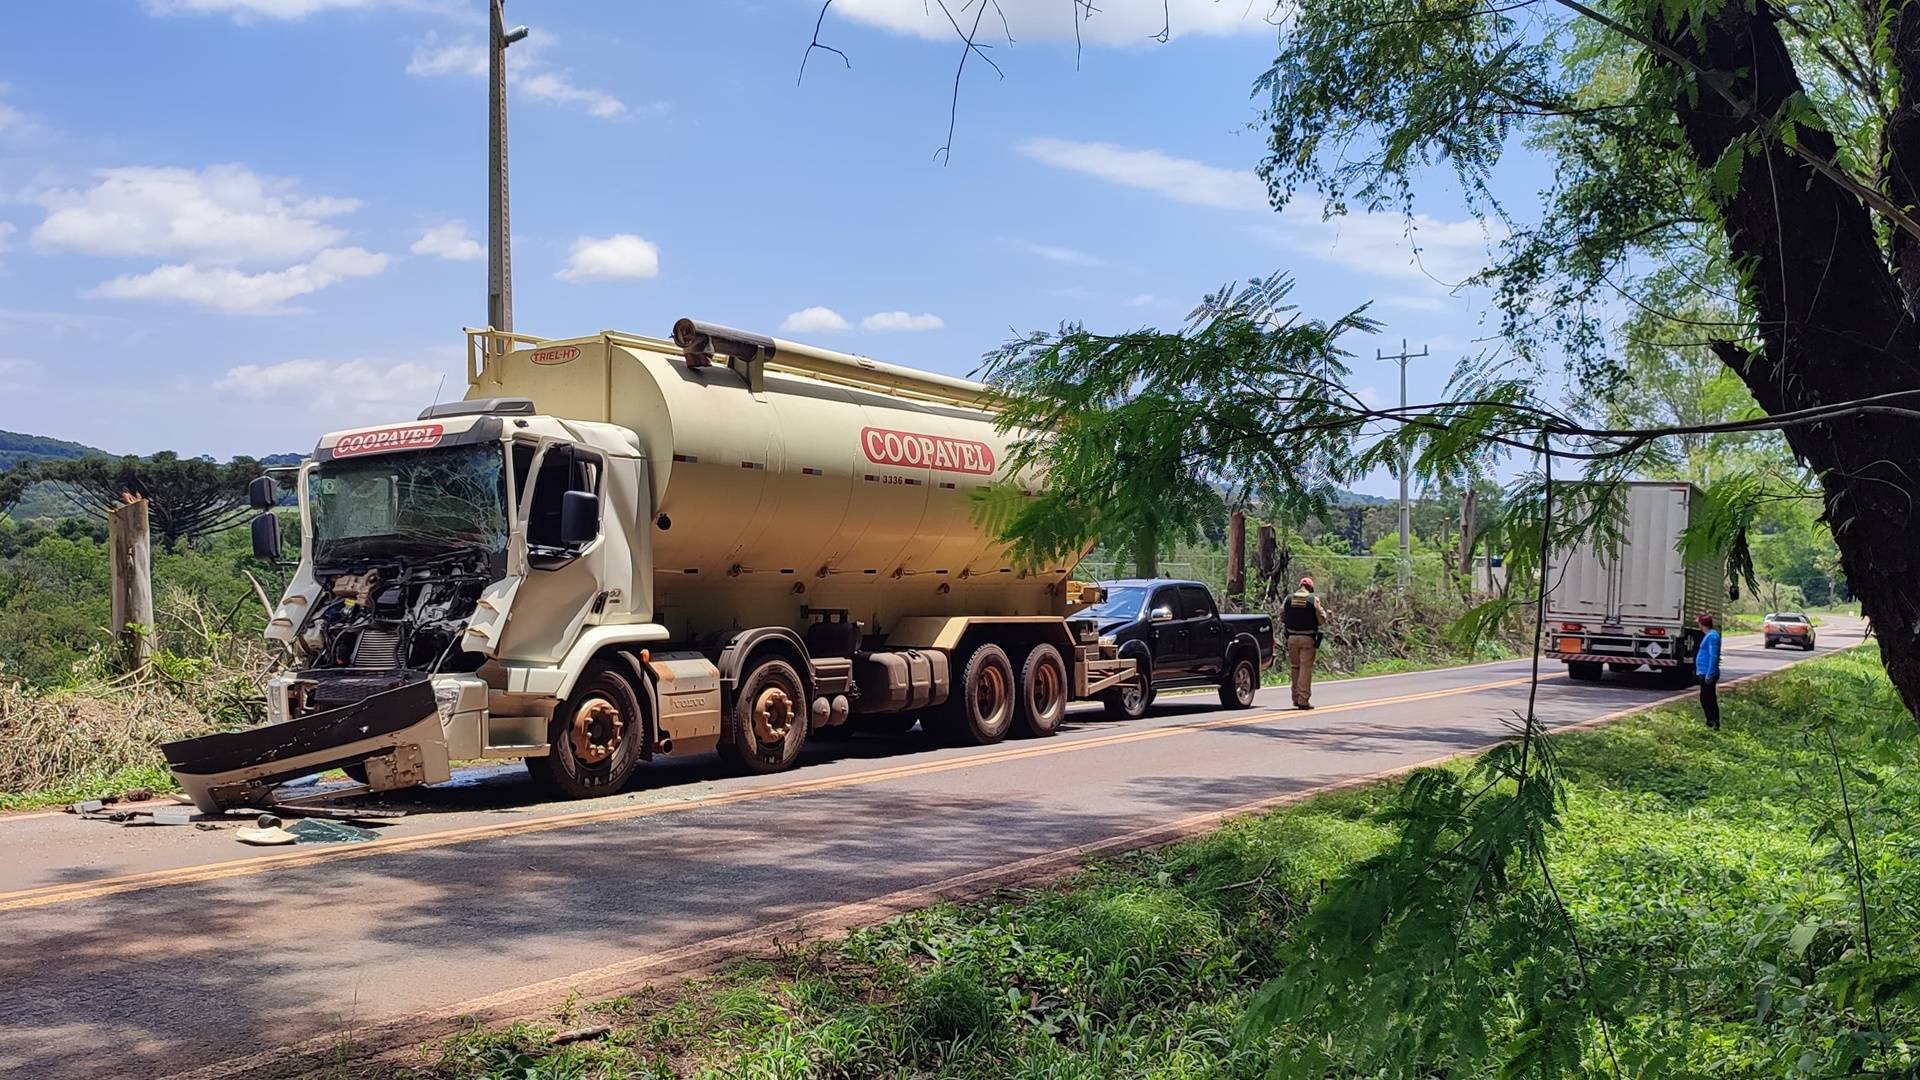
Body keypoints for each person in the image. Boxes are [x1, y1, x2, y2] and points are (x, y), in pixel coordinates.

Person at [1282, 576, 1328, 709]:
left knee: (1295, 667)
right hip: (1307, 638)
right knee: (1305, 668)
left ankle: (1295, 698)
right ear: (1310, 588)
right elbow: (1322, 619)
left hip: (1291, 638)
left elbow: (1281, 616)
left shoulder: (1289, 598)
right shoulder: (1313, 599)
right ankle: (1303, 700)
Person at [1694, 612, 1722, 730]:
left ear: (1702, 624)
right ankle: (1710, 721)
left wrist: (1709, 674)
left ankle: (1713, 721)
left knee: (1708, 698)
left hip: (1707, 673)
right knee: (1706, 698)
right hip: (1704, 672)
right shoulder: (1709, 635)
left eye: (1699, 623)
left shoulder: (1712, 636)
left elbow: (1713, 656)